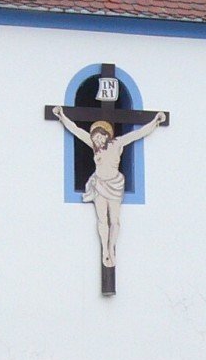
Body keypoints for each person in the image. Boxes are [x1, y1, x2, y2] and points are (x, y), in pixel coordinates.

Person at [52, 105, 168, 288]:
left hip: (115, 185)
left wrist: (155, 121)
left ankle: (112, 248)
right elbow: (76, 129)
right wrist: (61, 116)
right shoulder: (94, 146)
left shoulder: (118, 143)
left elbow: (139, 134)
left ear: (107, 135)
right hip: (99, 184)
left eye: (99, 136)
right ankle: (105, 249)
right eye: (94, 137)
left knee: (115, 220)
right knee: (101, 220)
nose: (96, 140)